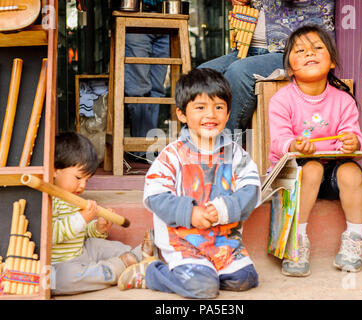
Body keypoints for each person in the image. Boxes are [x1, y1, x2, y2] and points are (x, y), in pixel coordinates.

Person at [118, 68, 261, 298]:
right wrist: (190, 213)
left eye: (219, 107)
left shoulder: (236, 153)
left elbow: (251, 189)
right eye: (200, 107)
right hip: (184, 243)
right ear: (182, 114)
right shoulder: (171, 154)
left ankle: (207, 271)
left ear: (228, 113)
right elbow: (155, 196)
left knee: (245, 279)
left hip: (223, 243)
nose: (211, 114)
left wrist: (226, 209)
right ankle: (152, 272)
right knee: (203, 288)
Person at [268, 25, 362, 277]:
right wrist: (293, 145)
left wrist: (352, 143)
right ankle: (296, 240)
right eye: (300, 50)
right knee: (311, 167)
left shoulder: (343, 100)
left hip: (330, 176)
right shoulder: (282, 100)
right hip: (294, 180)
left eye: (318, 48)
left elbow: (353, 137)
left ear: (332, 60)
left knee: (352, 173)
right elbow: (278, 140)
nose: (309, 53)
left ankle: (356, 238)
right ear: (290, 68)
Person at [198, 0, 335, 134]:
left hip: (295, 51)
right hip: (248, 48)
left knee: (239, 72)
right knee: (200, 76)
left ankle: (226, 146)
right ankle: (196, 144)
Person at [51, 132, 156, 295]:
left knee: (104, 246)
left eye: (86, 180)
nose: (82, 186)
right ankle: (123, 266)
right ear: (55, 170)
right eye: (78, 178)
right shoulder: (48, 200)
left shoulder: (72, 198)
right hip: (63, 263)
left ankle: (141, 254)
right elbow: (50, 235)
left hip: (82, 249)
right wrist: (81, 218)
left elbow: (82, 233)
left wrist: (98, 228)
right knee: (59, 280)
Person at [124, 0, 169, 160]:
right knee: (138, 90)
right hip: (135, 13)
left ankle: (146, 148)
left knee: (157, 89)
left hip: (167, 15)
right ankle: (143, 149)